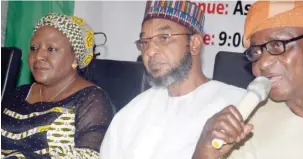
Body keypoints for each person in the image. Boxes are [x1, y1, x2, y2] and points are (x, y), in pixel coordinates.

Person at [193, 1, 303, 159]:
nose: (262, 64)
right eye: (256, 52)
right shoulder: (249, 123)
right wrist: (205, 152)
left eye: (278, 45)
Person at [99, 1, 247, 159]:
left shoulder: (237, 105)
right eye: (144, 42)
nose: (150, 51)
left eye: (164, 38)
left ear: (194, 44)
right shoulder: (130, 114)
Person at [1, 13, 115, 159]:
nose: (38, 56)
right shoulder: (19, 94)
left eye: (51, 49)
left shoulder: (92, 100)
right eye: (34, 48)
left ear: (75, 57)